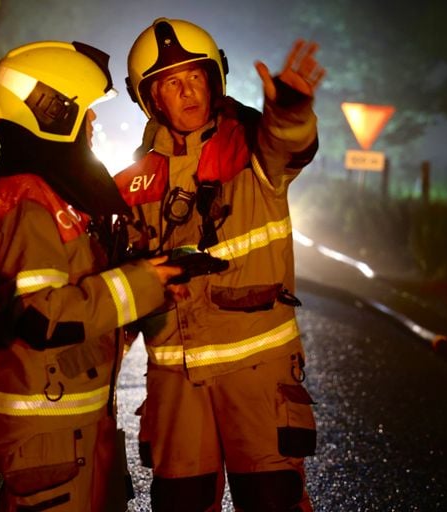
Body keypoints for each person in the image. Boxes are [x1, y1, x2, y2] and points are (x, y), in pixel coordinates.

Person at [116, 18, 325, 511]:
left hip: (256, 375)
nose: (188, 91)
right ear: (151, 98)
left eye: (195, 76)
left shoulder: (253, 147)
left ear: (214, 80)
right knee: (180, 503)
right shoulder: (132, 185)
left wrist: (290, 112)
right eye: (171, 82)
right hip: (175, 386)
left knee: (272, 500)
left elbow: (288, 141)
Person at [0, 40, 181, 511]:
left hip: (79, 423)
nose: (93, 124)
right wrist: (141, 281)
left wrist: (149, 279)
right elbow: (43, 317)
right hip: (47, 433)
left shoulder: (53, 194)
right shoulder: (23, 199)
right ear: (51, 111)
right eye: (85, 111)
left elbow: (88, 314)